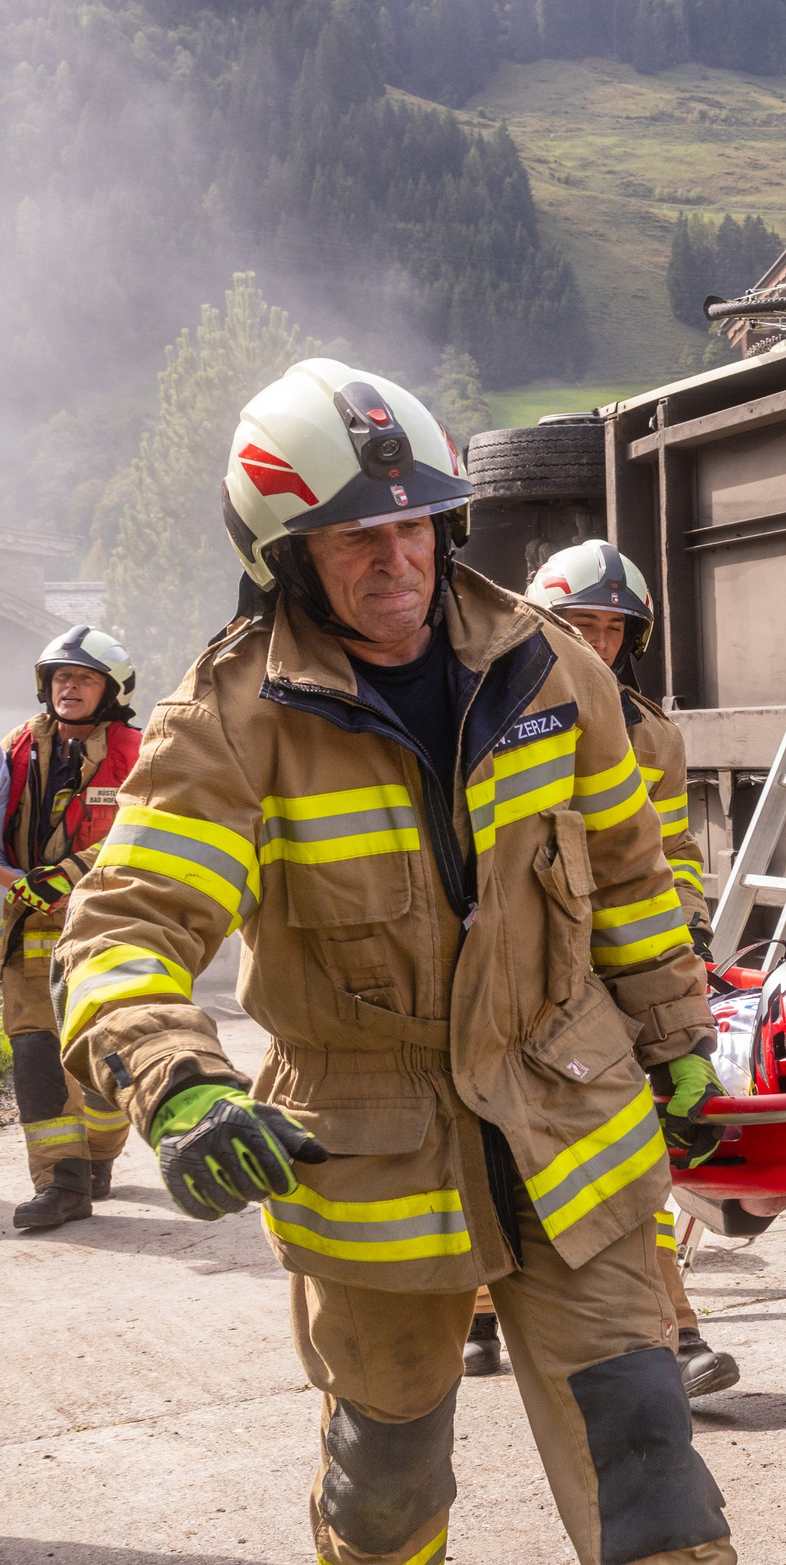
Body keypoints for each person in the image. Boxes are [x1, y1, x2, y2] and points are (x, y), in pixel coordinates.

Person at [52, 359, 736, 1565]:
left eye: (415, 524)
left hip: (570, 1129)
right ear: (284, 557)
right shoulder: (232, 719)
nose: (397, 558)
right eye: (355, 537)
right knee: (386, 1490)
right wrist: (180, 1081)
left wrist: (679, 1041)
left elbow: (632, 880)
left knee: (651, 1472)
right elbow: (125, 927)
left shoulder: (549, 667)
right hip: (374, 1169)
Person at [487, 537, 738, 1399]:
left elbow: (668, 851)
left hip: (614, 969)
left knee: (630, 1148)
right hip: (514, 964)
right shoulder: (496, 712)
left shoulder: (650, 733)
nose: (596, 643)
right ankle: (479, 1312)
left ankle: (674, 1334)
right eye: (579, 624)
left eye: (612, 628)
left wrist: (686, 929)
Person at [4, 626, 141, 1230]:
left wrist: (68, 873)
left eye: (85, 678)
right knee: (36, 1051)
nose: (70, 687)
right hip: (29, 928)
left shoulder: (141, 751)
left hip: (106, 923)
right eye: (61, 676)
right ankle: (61, 1181)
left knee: (107, 1050)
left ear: (111, 691)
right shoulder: (17, 749)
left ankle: (100, 1155)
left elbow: (146, 827)